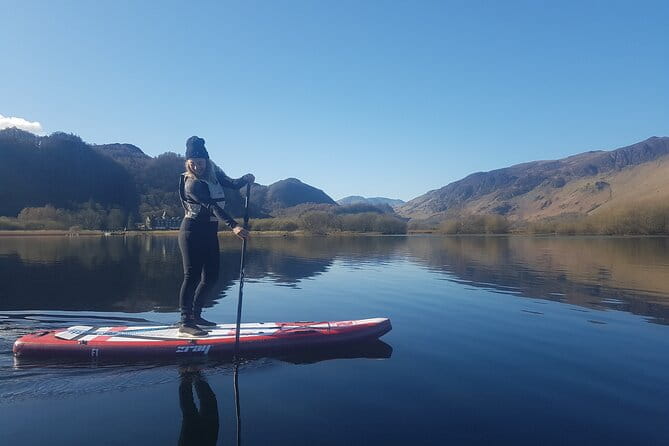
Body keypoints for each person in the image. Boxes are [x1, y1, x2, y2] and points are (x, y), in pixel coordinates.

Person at [177, 136, 254, 337]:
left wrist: (245, 179)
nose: (196, 166)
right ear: (188, 163)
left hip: (209, 232)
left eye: (200, 162)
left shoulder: (214, 173)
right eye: (192, 163)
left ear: (207, 161)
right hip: (191, 232)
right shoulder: (192, 184)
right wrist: (234, 226)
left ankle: (196, 315)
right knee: (192, 275)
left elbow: (233, 184)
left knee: (211, 276)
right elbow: (211, 206)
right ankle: (186, 322)